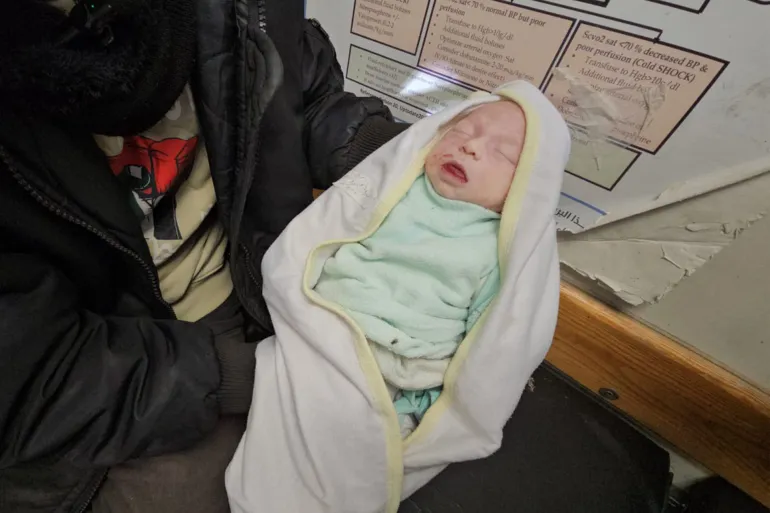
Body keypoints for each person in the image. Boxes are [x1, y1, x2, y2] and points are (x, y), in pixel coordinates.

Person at [0, 1, 406, 512]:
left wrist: (400, 156)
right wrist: (249, 374)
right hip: (97, 374)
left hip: (253, 290)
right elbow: (30, 377)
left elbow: (295, 93)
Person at [314, 101, 527, 436]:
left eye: (502, 152)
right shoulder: (395, 185)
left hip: (407, 362)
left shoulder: (498, 248)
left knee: (369, 435)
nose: (470, 146)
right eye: (461, 131)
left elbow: (490, 332)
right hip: (328, 319)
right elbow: (326, 228)